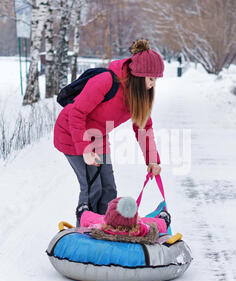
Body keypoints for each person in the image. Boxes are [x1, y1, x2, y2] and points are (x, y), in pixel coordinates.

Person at [53, 39, 164, 226]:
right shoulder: (106, 81)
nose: (153, 84)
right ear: (138, 75)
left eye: (156, 80)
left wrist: (152, 160)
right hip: (72, 133)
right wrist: (85, 150)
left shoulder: (138, 96)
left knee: (109, 189)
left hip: (98, 135)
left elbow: (143, 127)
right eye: (151, 79)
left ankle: (104, 230)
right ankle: (84, 233)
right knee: (92, 188)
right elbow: (76, 113)